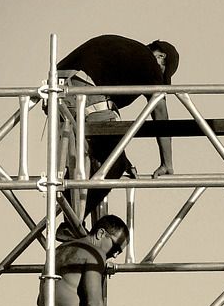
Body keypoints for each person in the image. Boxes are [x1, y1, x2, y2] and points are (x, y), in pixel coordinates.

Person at [57, 34, 179, 217]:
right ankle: (72, 221)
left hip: (57, 91)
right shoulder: (149, 62)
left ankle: (70, 214)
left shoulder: (126, 55)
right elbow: (160, 111)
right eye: (163, 73)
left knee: (89, 163)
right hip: (83, 88)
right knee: (114, 165)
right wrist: (167, 163)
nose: (158, 77)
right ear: (161, 57)